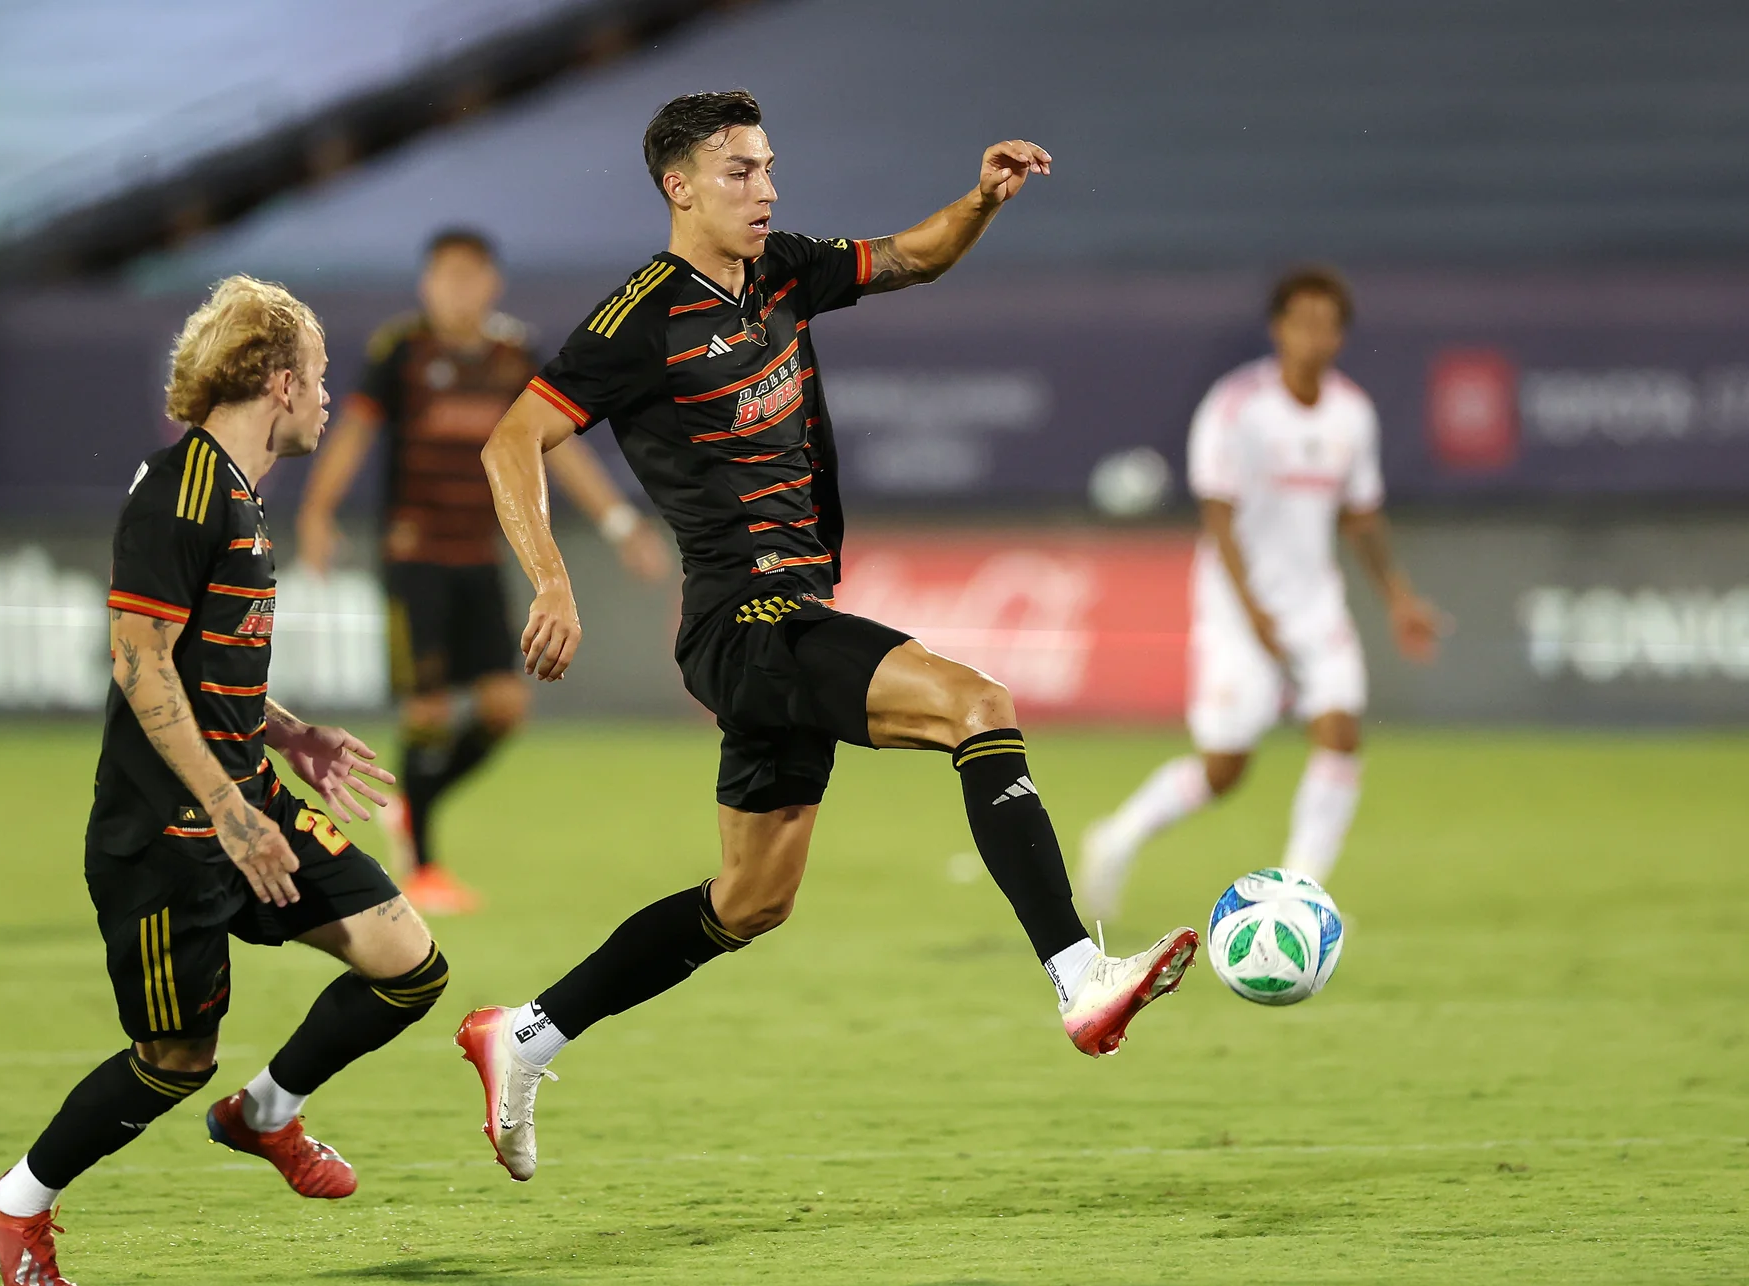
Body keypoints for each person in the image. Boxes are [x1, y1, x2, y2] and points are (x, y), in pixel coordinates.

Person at [452, 90, 1201, 1184]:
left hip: (788, 611)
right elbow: (511, 439)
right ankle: (1078, 974)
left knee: (749, 899)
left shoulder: (779, 272)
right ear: (679, 186)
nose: (767, 189)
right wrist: (552, 580)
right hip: (742, 618)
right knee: (975, 703)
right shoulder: (637, 319)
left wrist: (980, 201)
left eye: (767, 167)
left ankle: (523, 1034)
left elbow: (908, 257)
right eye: (741, 172)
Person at [0, 277, 448, 1286]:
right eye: (318, 380)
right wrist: (230, 809)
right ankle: (14, 1203)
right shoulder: (184, 490)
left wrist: (287, 734)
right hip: (166, 832)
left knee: (409, 962)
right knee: (173, 1054)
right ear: (278, 383)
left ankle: (265, 1111)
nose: (325, 399)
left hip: (245, 796)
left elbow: (196, 661)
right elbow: (139, 662)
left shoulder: (238, 492)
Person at [296, 229, 671, 915]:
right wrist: (318, 511)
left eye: (471, 277)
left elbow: (556, 448)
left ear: (492, 284)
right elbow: (353, 433)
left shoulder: (512, 355)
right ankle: (425, 864)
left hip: (481, 555)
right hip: (415, 558)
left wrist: (620, 523)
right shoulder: (400, 352)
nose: (457, 290)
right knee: (431, 709)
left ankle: (411, 803)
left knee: (504, 709)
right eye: (445, 276)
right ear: (426, 284)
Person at [1077, 266, 1445, 921]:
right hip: (1234, 604)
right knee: (1225, 766)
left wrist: (1398, 596)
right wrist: (1253, 614)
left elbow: (1360, 515)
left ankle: (1301, 893)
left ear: (1341, 336)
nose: (1314, 336)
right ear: (1278, 329)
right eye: (1302, 322)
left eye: (1327, 325)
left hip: (1313, 603)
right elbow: (1217, 515)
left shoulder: (1352, 414)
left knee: (1340, 730)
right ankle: (1117, 837)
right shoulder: (1235, 406)